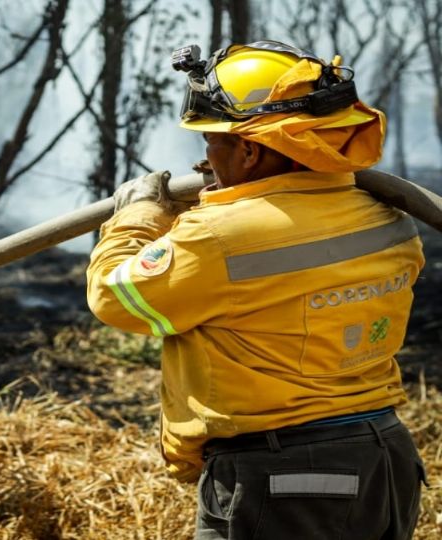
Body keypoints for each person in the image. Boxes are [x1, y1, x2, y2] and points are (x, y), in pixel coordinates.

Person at [86, 40, 427, 539]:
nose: (204, 159)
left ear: (248, 149)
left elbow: (114, 298)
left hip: (284, 478)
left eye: (212, 142)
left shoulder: (217, 238)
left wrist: (136, 218)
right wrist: (226, 203)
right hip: (385, 463)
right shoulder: (387, 216)